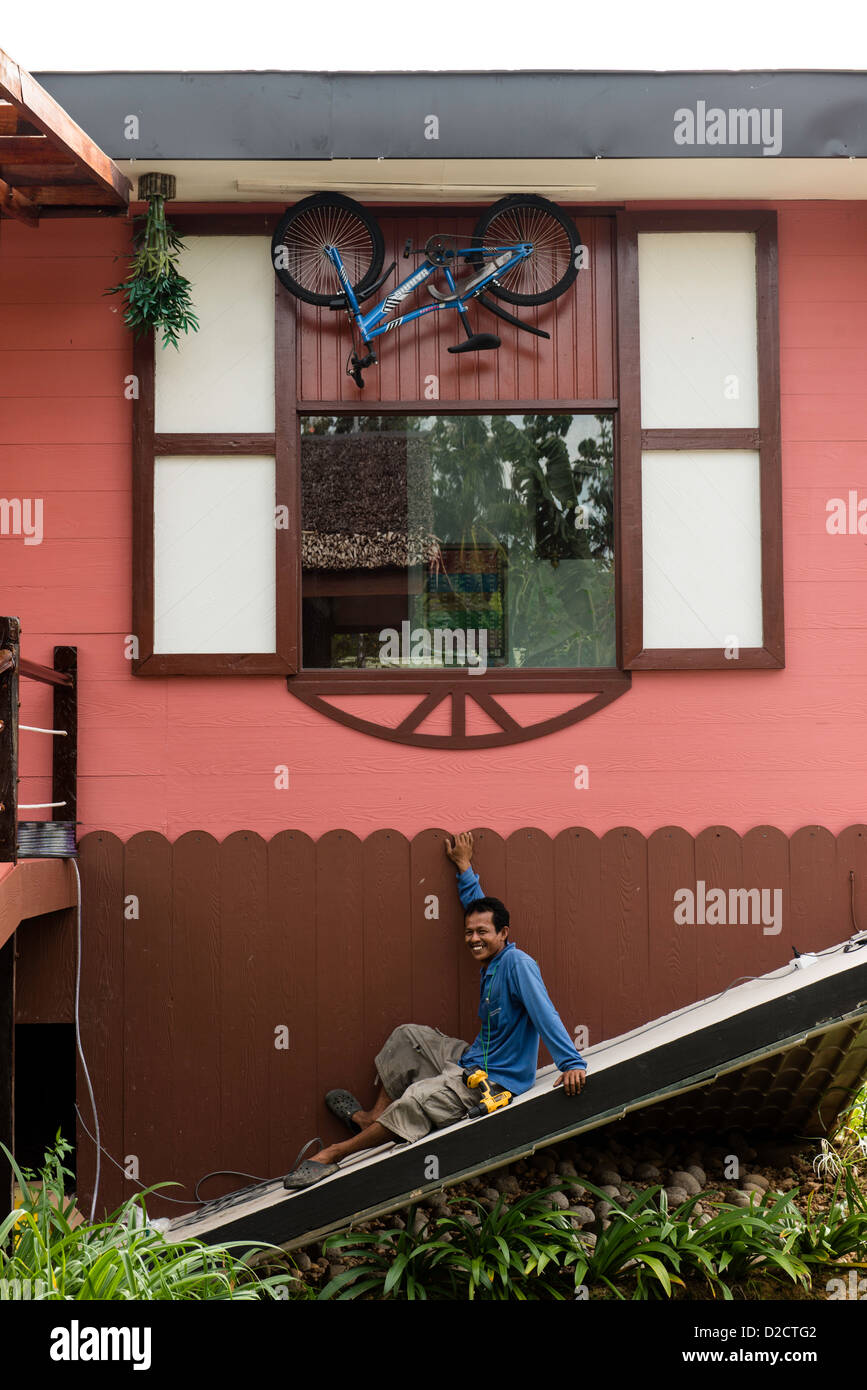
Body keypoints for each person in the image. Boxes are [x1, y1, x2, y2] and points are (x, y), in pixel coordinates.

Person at [283, 830, 587, 1188]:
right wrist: (464, 866)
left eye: (482, 933)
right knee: (408, 1037)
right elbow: (478, 908)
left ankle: (334, 1154)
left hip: (492, 1081)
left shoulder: (517, 964)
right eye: (468, 932)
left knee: (416, 1099)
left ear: (504, 933)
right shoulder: (494, 957)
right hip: (472, 1057)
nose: (473, 938)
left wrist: (572, 1063)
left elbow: (544, 1013)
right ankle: (372, 1118)